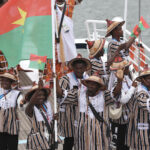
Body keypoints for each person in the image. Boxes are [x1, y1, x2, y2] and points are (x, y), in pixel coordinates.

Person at [57, 74, 115, 150]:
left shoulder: (104, 95)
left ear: (98, 86)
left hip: (100, 132)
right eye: (90, 83)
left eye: (94, 84)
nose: (91, 85)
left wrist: (120, 80)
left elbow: (116, 94)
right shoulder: (78, 94)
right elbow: (62, 94)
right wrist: (55, 80)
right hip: (83, 133)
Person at [57, 54, 91, 150]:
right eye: (77, 68)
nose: (79, 70)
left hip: (84, 113)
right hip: (70, 115)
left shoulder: (87, 78)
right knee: (69, 140)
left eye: (81, 68)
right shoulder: (65, 79)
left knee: (83, 140)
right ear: (73, 68)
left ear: (85, 68)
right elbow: (60, 97)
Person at [109, 57, 137, 150]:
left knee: (125, 143)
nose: (129, 69)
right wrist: (133, 88)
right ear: (123, 70)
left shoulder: (126, 79)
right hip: (120, 119)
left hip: (127, 117)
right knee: (121, 144)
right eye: (127, 67)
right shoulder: (117, 82)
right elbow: (123, 100)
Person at [25, 81, 55, 150]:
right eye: (38, 95)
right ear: (32, 96)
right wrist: (38, 89)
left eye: (43, 95)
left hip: (49, 140)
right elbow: (31, 102)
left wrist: (54, 119)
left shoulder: (46, 106)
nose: (41, 97)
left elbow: (49, 122)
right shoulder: (30, 109)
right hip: (37, 143)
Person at [127, 65, 150, 150]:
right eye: (148, 79)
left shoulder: (147, 89)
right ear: (143, 80)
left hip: (145, 125)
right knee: (142, 145)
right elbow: (144, 105)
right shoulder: (140, 92)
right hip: (141, 124)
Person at [0, 72, 23, 150]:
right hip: (0, 125)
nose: (4, 82)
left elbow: (21, 105)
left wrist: (22, 103)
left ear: (11, 82)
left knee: (12, 147)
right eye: (3, 80)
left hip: (12, 126)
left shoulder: (17, 93)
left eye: (7, 81)